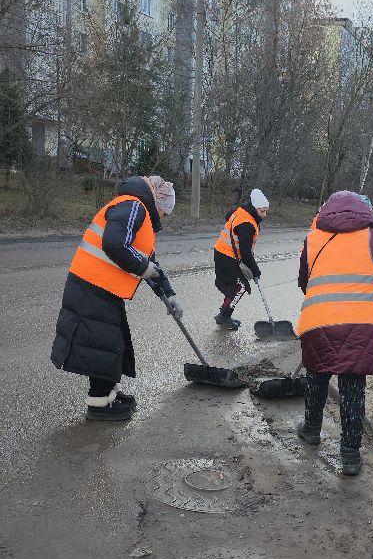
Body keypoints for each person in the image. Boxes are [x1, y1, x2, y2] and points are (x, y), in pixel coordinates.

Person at [51, 174, 183, 422]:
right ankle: (99, 404)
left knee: (113, 343)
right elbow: (114, 244)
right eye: (166, 212)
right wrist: (142, 267)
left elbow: (149, 261)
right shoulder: (133, 206)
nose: (165, 218)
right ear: (158, 204)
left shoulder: (139, 214)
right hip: (91, 285)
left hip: (103, 287)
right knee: (103, 345)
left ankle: (109, 394)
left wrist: (169, 294)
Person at [296, 191, 373, 475]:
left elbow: (304, 280)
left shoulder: (313, 237)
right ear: (364, 212)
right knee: (353, 388)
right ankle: (350, 455)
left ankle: (312, 429)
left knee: (316, 376)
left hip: (320, 319)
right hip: (361, 321)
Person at [213, 189, 269, 330]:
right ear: (255, 208)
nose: (264, 215)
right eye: (262, 211)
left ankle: (224, 313)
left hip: (224, 253)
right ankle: (224, 316)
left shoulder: (243, 211)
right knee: (241, 286)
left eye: (266, 211)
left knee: (235, 286)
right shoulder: (247, 224)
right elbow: (245, 253)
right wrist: (256, 271)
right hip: (227, 256)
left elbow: (229, 216)